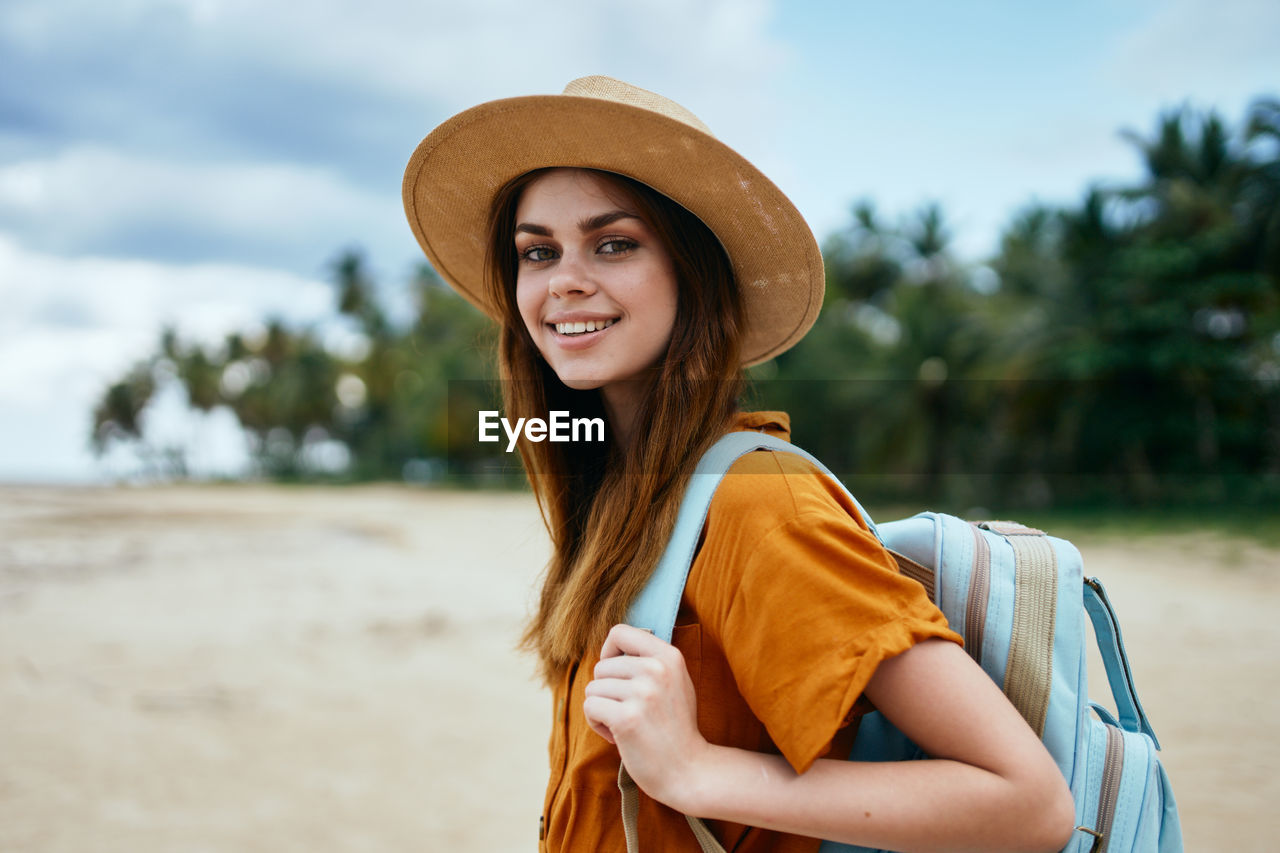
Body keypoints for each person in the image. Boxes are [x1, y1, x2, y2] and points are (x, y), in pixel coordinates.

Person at [404, 76, 1075, 853]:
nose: (564, 280)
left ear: (695, 274)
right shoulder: (621, 497)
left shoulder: (759, 503)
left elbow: (1026, 802)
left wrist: (696, 769)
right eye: (537, 250)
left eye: (614, 242)